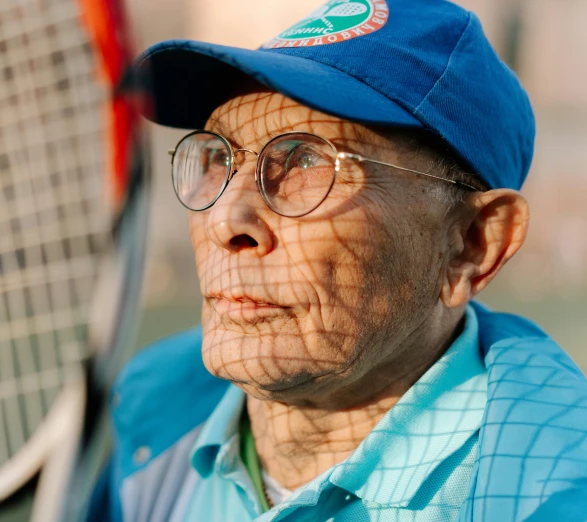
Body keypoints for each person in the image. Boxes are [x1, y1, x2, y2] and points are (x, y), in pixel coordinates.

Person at [89, 0, 587, 520]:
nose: (223, 220)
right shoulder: (155, 425)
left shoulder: (554, 497)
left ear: (471, 245)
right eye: (219, 157)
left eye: (305, 161)